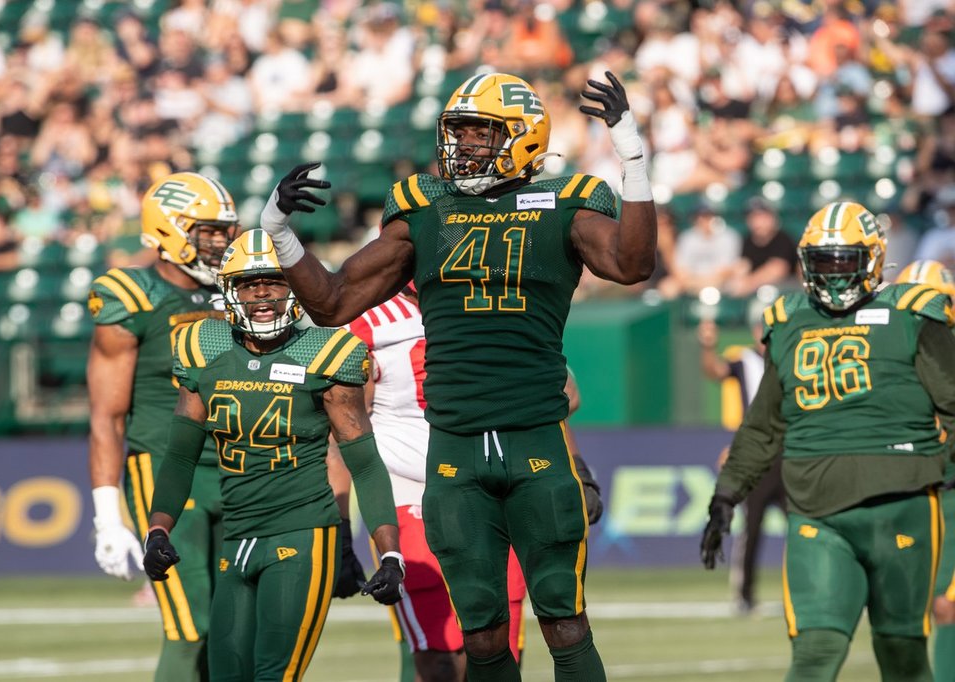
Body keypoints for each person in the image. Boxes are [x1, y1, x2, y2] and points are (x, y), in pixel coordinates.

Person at [258, 70, 656, 681]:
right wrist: (280, 235)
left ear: (522, 138)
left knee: (564, 621)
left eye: (480, 133)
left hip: (535, 442)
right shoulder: (424, 209)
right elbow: (333, 302)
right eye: (459, 132)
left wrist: (633, 156)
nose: (464, 145)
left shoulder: (564, 202)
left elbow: (632, 263)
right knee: (482, 635)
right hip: (455, 453)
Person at [701, 201, 955, 682]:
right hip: (816, 509)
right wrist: (727, 491)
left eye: (844, 262)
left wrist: (944, 472)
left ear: (873, 260)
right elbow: (763, 424)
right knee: (815, 652)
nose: (834, 275)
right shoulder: (790, 319)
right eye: (822, 263)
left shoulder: (911, 313)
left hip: (901, 505)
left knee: (902, 654)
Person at [141, 229, 405, 681]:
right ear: (229, 291)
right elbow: (181, 455)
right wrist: (157, 528)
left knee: (273, 676)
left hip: (303, 535)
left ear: (295, 289)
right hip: (238, 534)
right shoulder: (205, 347)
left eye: (275, 281)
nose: (261, 293)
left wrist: (390, 553)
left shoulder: (326, 351)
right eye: (248, 283)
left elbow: (363, 460)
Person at [344, 287, 605, 682]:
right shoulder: (369, 323)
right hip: (408, 482)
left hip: (490, 477)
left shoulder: (490, 299)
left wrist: (577, 465)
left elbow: (561, 394)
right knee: (441, 655)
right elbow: (349, 427)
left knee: (503, 637)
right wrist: (340, 522)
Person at [86, 172, 240, 681]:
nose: (221, 243)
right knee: (190, 623)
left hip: (241, 467)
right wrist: (108, 517)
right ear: (169, 231)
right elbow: (107, 417)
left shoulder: (237, 293)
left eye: (225, 231)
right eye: (208, 232)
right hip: (166, 468)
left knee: (236, 626)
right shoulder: (132, 294)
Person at [697, 309, 785, 615]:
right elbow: (714, 371)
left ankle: (803, 590)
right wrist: (707, 345)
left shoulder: (792, 356)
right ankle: (745, 595)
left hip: (790, 452)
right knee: (752, 527)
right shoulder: (744, 359)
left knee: (805, 528)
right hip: (758, 453)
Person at [894, 259, 955, 682]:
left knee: (948, 607)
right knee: (907, 611)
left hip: (951, 492)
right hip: (910, 493)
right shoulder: (885, 355)